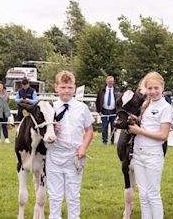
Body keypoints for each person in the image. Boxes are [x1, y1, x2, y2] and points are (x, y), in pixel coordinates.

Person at [46, 70, 94, 219]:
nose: (66, 91)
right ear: (56, 88)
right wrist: (51, 130)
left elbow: (89, 130)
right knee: (55, 195)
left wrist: (83, 147)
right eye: (63, 87)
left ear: (74, 88)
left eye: (70, 87)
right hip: (55, 155)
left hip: (74, 155)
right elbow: (41, 133)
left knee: (73, 194)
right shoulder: (49, 108)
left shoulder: (82, 108)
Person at [128, 71, 173, 219]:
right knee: (143, 194)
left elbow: (163, 135)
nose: (153, 92)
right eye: (150, 88)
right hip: (138, 153)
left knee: (153, 194)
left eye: (156, 88)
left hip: (153, 154)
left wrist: (139, 131)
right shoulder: (146, 104)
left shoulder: (166, 107)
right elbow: (144, 123)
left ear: (162, 87)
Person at [96, 76, 120, 145]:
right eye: (109, 82)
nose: (110, 83)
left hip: (114, 111)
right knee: (104, 127)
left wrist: (118, 111)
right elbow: (97, 101)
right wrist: (99, 111)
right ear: (106, 82)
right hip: (104, 111)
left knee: (114, 127)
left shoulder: (117, 90)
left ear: (113, 82)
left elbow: (119, 101)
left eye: (111, 82)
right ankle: (104, 141)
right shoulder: (102, 90)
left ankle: (112, 142)